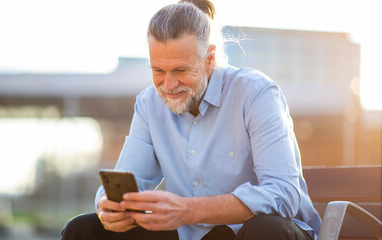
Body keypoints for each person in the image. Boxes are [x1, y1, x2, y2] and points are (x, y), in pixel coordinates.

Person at [61, 0, 322, 239]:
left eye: (181, 70)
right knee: (82, 230)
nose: (169, 84)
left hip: (259, 233)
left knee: (266, 230)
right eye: (158, 71)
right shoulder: (148, 104)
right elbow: (128, 180)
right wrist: (109, 208)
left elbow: (284, 195)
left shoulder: (256, 93)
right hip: (190, 234)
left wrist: (188, 210)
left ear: (209, 59)